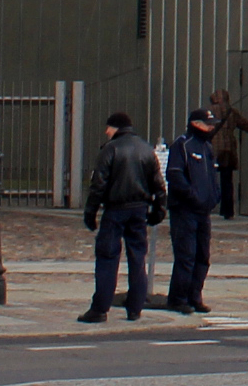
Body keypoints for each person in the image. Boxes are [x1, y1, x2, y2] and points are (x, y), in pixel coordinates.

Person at [79, 111, 163, 323]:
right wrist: (158, 209)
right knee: (137, 258)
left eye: (108, 127)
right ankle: (135, 307)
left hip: (116, 209)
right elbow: (158, 185)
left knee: (107, 258)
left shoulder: (110, 149)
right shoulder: (146, 149)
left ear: (115, 127)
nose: (106, 131)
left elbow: (98, 185)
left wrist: (90, 212)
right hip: (139, 209)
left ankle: (100, 308)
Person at [161, 108, 225, 314]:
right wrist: (192, 196)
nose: (212, 128)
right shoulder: (182, 145)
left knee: (202, 256)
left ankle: (194, 295)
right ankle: (178, 298)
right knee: (186, 255)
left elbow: (214, 176)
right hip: (185, 210)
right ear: (196, 124)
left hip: (203, 211)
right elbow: (175, 175)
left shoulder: (207, 147)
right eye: (208, 124)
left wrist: (215, 196)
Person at [201, 87, 248, 218]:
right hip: (228, 151)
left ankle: (206, 206)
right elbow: (245, 125)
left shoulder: (209, 112)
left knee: (207, 178)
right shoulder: (232, 112)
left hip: (212, 150)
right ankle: (227, 211)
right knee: (227, 181)